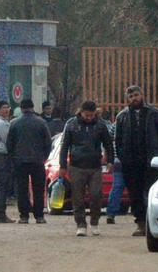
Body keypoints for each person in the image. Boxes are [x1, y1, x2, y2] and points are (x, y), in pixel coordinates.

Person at [114, 86, 158, 237]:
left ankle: (154, 224)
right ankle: (141, 224)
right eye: (131, 96)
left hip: (151, 162)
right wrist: (123, 157)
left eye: (136, 95)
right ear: (127, 99)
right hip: (131, 163)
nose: (134, 99)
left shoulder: (155, 114)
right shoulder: (122, 116)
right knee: (135, 194)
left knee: (151, 193)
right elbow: (117, 141)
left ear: (142, 95)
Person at [60, 100, 115, 235]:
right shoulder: (71, 125)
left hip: (95, 166)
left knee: (96, 195)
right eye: (86, 115)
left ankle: (94, 222)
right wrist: (62, 165)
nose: (89, 118)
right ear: (81, 112)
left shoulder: (100, 125)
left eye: (91, 115)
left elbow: (108, 144)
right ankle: (81, 224)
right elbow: (65, 145)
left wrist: (110, 161)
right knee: (77, 197)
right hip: (76, 166)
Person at [6, 98, 50, 225]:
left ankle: (24, 216)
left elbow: (9, 144)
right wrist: (43, 157)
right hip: (37, 161)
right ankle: (39, 216)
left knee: (22, 189)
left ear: (21, 108)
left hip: (20, 161)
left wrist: (13, 158)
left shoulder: (14, 123)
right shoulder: (41, 122)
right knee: (38, 189)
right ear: (33, 107)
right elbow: (48, 143)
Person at [102, 110, 122, 225]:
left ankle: (110, 213)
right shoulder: (134, 125)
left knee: (117, 187)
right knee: (137, 188)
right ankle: (140, 215)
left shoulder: (114, 126)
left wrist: (108, 157)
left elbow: (107, 142)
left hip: (117, 160)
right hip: (130, 160)